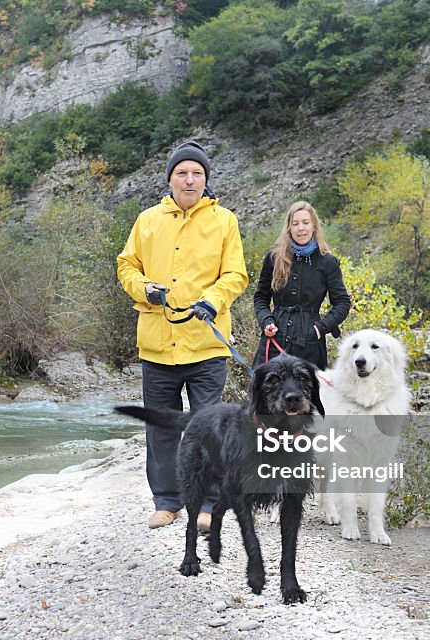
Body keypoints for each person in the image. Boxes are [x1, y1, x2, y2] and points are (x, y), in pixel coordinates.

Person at [117, 141, 248, 530]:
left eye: (197, 174)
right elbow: (127, 267)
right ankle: (167, 502)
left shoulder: (225, 221)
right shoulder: (147, 220)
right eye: (182, 173)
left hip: (206, 345)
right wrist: (145, 289)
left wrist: (213, 299)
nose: (189, 180)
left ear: (206, 180)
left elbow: (236, 274)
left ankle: (207, 505)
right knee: (161, 428)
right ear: (170, 178)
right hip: (157, 345)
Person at [253, 200, 351, 371]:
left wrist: (320, 328)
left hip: (310, 345)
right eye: (295, 224)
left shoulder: (327, 261)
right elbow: (261, 297)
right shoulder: (274, 258)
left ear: (314, 226)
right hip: (274, 339)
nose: (301, 228)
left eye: (306, 223)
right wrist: (266, 321)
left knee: (307, 396)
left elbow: (342, 303)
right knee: (265, 393)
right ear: (289, 228)